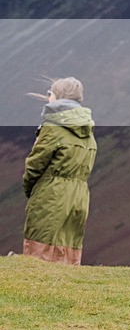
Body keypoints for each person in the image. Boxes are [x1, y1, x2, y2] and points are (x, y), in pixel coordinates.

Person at [23, 77, 97, 265]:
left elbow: (35, 165)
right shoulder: (87, 130)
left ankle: (38, 292)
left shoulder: (52, 128)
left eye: (51, 93)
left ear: (57, 96)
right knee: (68, 251)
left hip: (51, 194)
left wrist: (31, 189)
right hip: (79, 198)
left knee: (39, 253)